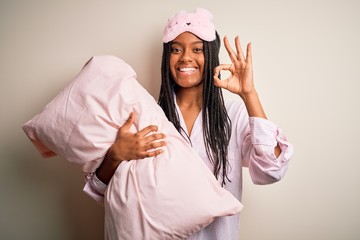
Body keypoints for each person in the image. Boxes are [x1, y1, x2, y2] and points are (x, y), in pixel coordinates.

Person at [83, 8, 293, 240]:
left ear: (211, 55)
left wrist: (249, 93)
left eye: (197, 49)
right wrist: (115, 156)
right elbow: (102, 192)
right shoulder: (144, 114)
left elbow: (271, 171)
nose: (185, 58)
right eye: (175, 49)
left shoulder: (234, 115)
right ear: (167, 57)